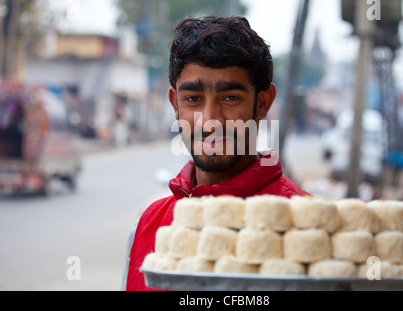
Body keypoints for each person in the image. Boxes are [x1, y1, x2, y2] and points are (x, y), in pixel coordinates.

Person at [122, 16, 310, 291]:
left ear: (263, 102)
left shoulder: (306, 225)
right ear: (175, 105)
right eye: (193, 99)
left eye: (230, 98)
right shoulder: (148, 227)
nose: (210, 120)